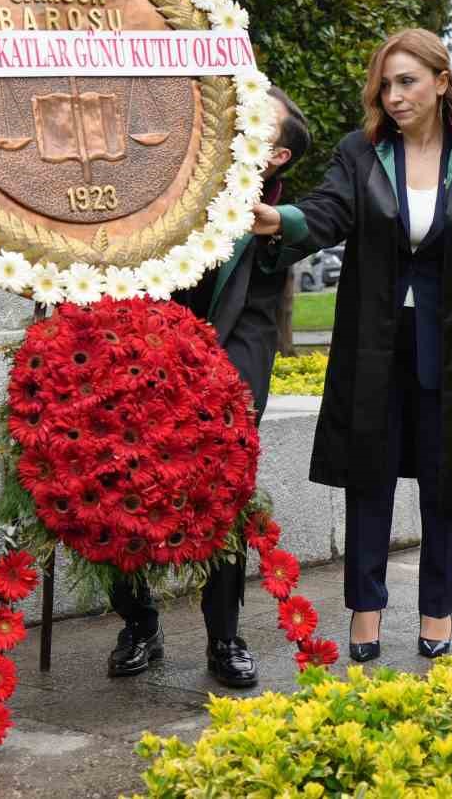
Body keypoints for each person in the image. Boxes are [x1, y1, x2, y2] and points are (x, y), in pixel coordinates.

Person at [251, 28, 452, 662]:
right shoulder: (362, 152)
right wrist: (280, 220)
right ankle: (365, 614)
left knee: (446, 483)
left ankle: (437, 612)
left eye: (406, 81)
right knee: (369, 481)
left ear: (440, 80)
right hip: (374, 345)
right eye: (386, 83)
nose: (394, 95)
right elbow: (328, 211)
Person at [106, 87, 312, 689]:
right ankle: (139, 622)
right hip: (140, 354)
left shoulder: (272, 222)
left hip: (223, 367)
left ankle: (225, 637)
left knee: (223, 495)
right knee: (115, 483)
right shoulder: (169, 179)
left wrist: (224, 398)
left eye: (256, 125)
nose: (237, 124)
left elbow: (254, 326)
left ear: (276, 158)